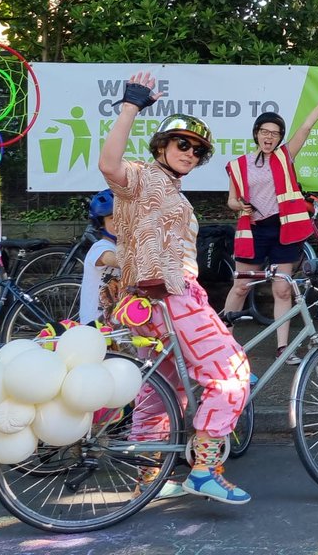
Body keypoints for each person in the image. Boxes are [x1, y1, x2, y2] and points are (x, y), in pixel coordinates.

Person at [99, 71, 252, 505]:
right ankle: (203, 470)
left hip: (151, 302)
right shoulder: (143, 177)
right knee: (231, 373)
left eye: (197, 149)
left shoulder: (177, 194)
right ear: (162, 147)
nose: (190, 152)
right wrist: (131, 104)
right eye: (181, 143)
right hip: (168, 295)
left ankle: (149, 477)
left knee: (164, 387)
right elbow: (109, 164)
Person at [222, 74, 318, 358]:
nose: (269, 136)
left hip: (284, 231)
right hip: (254, 230)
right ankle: (222, 346)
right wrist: (240, 206)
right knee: (240, 286)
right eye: (264, 131)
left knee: (283, 290)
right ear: (256, 133)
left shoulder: (285, 156)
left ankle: (283, 347)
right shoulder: (239, 165)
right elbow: (231, 200)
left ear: (280, 137)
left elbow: (306, 128)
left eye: (275, 133)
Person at [78, 189, 120, 326]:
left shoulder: (122, 246)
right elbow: (112, 260)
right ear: (101, 223)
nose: (120, 223)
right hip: (94, 325)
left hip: (114, 323)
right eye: (113, 218)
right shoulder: (101, 247)